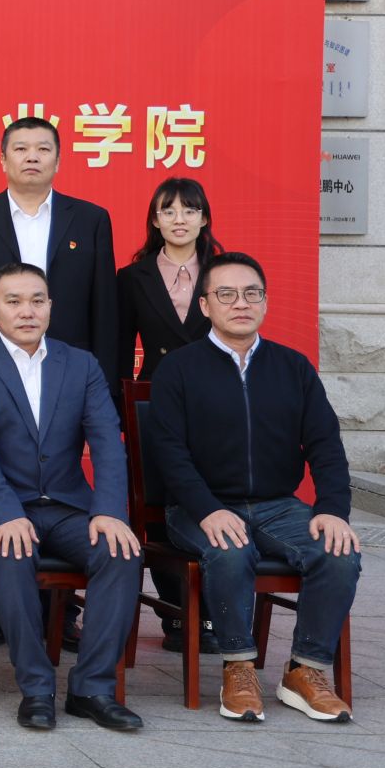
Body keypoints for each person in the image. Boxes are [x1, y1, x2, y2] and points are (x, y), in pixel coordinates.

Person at [147, 252, 359, 724]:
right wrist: (207, 509)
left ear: (265, 301)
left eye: (251, 293)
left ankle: (305, 669)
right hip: (197, 507)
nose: (240, 303)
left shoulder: (293, 367)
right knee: (229, 549)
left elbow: (325, 444)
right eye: (226, 294)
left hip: (277, 506)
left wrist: (332, 509)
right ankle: (238, 667)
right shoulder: (178, 369)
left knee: (338, 550)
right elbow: (169, 453)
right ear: (205, 305)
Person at [0, 263, 144, 732]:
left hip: (68, 507)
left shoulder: (81, 365)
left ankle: (92, 687)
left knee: (120, 551)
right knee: (12, 550)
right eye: (13, 301)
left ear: (51, 306)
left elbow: (108, 444)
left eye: (37, 300)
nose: (27, 311)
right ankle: (36, 687)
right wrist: (6, 513)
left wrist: (109, 511)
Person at [0, 115, 118, 645]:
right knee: (2, 490)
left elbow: (103, 309)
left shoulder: (91, 219)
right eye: (20, 148)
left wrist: (102, 382)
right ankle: (0, 608)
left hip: (66, 376)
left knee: (60, 492)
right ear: (2, 159)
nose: (32, 157)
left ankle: (64, 613)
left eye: (43, 148)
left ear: (58, 159)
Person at [116, 176, 223, 654]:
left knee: (215, 505)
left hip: (216, 407)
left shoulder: (224, 271)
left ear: (204, 218)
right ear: (154, 220)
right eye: (169, 210)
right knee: (157, 512)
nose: (179, 219)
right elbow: (120, 351)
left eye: (189, 210)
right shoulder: (131, 277)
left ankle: (215, 612)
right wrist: (120, 415)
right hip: (153, 407)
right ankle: (177, 614)